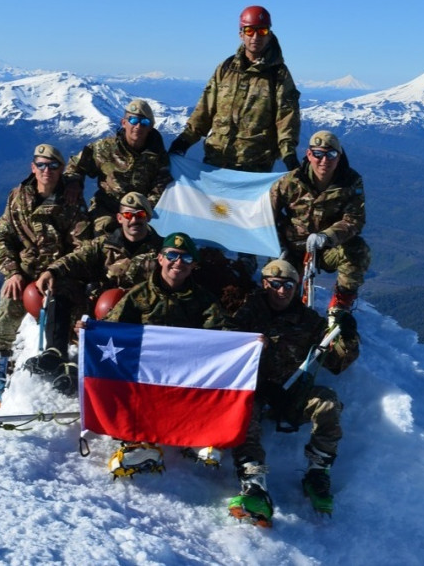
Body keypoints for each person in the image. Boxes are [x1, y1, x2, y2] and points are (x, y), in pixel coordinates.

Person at [228, 259, 359, 523]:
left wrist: (348, 335)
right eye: (275, 284)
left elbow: (336, 363)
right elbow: (225, 347)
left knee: (328, 404)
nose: (282, 290)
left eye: (289, 284)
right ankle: (254, 483)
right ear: (265, 284)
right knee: (244, 418)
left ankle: (318, 472)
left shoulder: (308, 321)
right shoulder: (246, 314)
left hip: (291, 393)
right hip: (253, 391)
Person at [99, 232, 231, 475]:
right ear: (160, 258)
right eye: (172, 255)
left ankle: (196, 435)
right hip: (145, 376)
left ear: (193, 265)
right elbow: (112, 327)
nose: (178, 262)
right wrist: (91, 331)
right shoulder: (138, 295)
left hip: (183, 377)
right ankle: (139, 443)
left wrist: (249, 344)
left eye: (186, 258)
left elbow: (222, 337)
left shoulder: (203, 300)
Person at [0, 143, 90, 409]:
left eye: (53, 166)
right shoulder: (17, 198)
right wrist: (12, 272)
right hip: (27, 272)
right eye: (41, 165)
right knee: (9, 304)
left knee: (75, 318)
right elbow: (2, 237)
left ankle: (61, 361)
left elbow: (83, 247)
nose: (46, 170)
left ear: (62, 169)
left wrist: (57, 270)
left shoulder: (72, 202)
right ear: (33, 168)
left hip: (62, 274)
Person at [28, 192, 164, 395]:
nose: (134, 220)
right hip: (97, 308)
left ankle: (88, 370)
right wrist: (52, 271)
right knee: (61, 286)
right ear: (119, 218)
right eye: (128, 215)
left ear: (148, 217)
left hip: (135, 318)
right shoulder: (105, 243)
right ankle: (56, 351)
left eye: (140, 214)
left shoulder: (161, 250)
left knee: (113, 301)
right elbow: (76, 258)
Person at [168, 5, 301, 173]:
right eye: (249, 30)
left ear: (269, 34)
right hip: (214, 164)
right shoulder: (226, 68)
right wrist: (183, 142)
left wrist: (289, 157)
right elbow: (205, 110)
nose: (255, 37)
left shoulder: (278, 74)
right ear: (241, 34)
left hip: (253, 169)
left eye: (262, 31)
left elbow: (287, 119)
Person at [270, 130, 370, 330]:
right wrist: (278, 244)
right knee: (282, 285)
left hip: (325, 249)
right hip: (291, 248)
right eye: (318, 154)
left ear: (339, 157)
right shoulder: (291, 181)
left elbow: (355, 219)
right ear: (309, 155)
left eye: (331, 155)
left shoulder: (350, 182)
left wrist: (327, 236)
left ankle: (340, 306)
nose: (324, 160)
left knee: (357, 250)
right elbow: (268, 214)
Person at [64, 99, 172, 236]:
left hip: (139, 214)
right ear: (124, 123)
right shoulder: (104, 148)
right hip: (106, 209)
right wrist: (74, 182)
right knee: (102, 235)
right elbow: (76, 165)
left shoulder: (158, 156)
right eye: (133, 120)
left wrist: (142, 210)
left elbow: (161, 187)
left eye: (144, 122)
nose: (138, 126)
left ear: (151, 127)